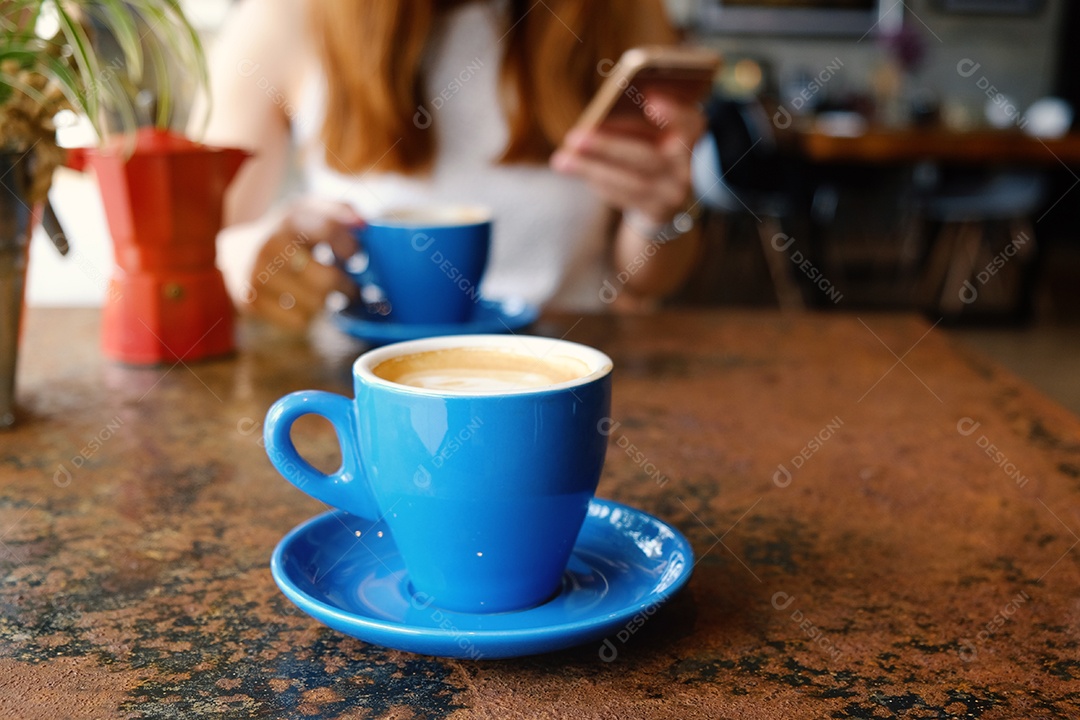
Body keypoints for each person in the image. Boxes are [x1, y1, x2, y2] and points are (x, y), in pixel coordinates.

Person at [200, 0, 707, 330]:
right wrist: (246, 255)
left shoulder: (619, 15)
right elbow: (204, 253)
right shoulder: (283, 21)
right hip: (370, 383)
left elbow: (647, 283)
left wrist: (659, 214)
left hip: (569, 371)